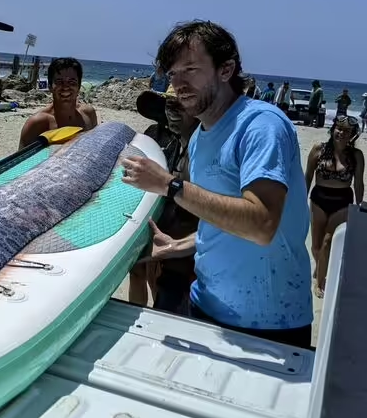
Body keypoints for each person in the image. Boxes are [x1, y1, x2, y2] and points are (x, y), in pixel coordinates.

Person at [121, 20, 313, 350]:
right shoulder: (200, 138)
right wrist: (178, 246)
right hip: (205, 305)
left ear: (226, 70)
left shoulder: (261, 125)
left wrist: (170, 185)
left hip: (269, 322)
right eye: (173, 73)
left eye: (191, 70)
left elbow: (262, 223)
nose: (178, 84)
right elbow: (223, 220)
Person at [129, 84, 199, 314]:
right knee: (142, 274)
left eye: (180, 105)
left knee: (165, 291)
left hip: (185, 242)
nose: (173, 112)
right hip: (155, 223)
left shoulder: (199, 147)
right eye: (170, 105)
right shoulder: (154, 135)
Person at [304, 115, 365, 297]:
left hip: (342, 202)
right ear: (332, 130)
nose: (341, 133)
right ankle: (321, 266)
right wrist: (301, 200)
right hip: (319, 200)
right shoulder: (318, 150)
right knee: (316, 247)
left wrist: (360, 206)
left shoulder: (356, 156)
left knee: (327, 241)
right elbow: (307, 177)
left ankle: (320, 281)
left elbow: (359, 183)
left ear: (353, 135)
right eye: (339, 128)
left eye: (347, 131)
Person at [18, 57, 99, 149]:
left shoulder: (88, 113)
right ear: (50, 87)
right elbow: (21, 161)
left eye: (72, 82)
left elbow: (94, 149)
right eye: (59, 82)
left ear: (79, 86)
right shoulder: (37, 123)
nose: (65, 87)